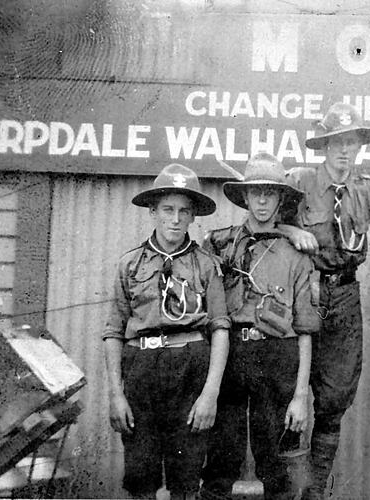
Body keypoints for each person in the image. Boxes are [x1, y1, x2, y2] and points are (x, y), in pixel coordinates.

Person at [278, 102, 370, 499]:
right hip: (301, 291)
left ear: (359, 147)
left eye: (352, 143)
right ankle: (289, 490)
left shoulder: (365, 189)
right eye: (337, 142)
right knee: (289, 389)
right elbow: (268, 217)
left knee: (335, 396)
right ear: (324, 146)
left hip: (343, 295)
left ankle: (314, 492)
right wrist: (292, 230)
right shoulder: (299, 181)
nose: (344, 150)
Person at [102, 163, 231, 500]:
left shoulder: (206, 266)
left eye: (184, 212)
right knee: (141, 475)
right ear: (152, 212)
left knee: (185, 476)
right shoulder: (130, 264)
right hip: (141, 370)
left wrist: (210, 394)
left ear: (192, 217)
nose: (175, 219)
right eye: (168, 210)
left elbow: (220, 329)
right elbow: (114, 331)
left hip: (190, 369)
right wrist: (117, 394)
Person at [201, 153, 320, 500]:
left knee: (276, 461)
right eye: (256, 193)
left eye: (270, 193)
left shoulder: (297, 254)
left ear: (281, 198)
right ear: (245, 197)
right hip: (231, 354)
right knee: (221, 456)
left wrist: (300, 396)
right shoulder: (220, 245)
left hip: (276, 357)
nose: (263, 201)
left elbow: (305, 330)